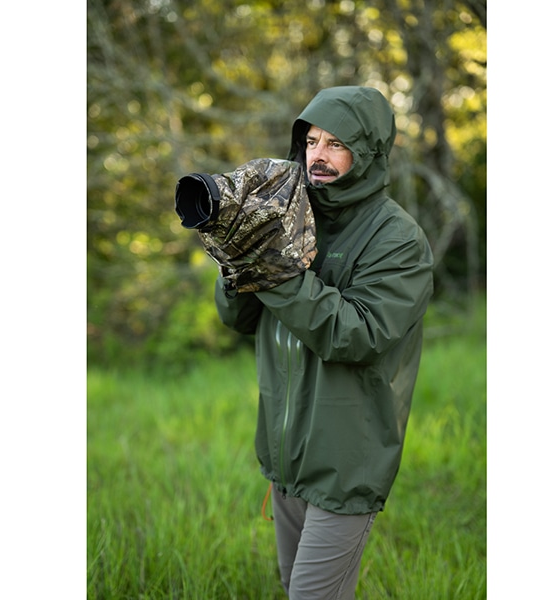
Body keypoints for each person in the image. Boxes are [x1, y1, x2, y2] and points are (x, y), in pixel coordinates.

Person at [214, 86, 434, 599]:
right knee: (294, 586)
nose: (318, 155)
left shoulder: (397, 239)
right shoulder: (289, 216)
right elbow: (239, 318)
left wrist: (275, 269)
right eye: (311, 141)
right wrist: (237, 257)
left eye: (336, 144)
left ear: (369, 152)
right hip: (286, 456)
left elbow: (355, 333)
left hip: (346, 462)